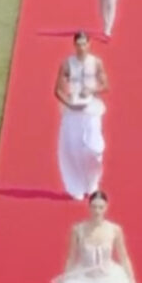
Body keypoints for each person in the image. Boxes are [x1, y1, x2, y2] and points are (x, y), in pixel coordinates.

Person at [55, 33, 110, 199]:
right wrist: (68, 103)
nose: (81, 47)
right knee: (73, 149)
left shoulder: (96, 62)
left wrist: (92, 90)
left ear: (89, 44)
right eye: (78, 44)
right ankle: (77, 186)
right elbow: (57, 90)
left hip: (92, 110)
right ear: (74, 45)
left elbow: (105, 85)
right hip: (73, 112)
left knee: (95, 148)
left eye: (84, 44)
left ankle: (93, 182)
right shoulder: (66, 64)